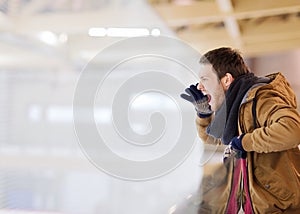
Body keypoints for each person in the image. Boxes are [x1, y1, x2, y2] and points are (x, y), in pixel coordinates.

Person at [180, 47, 300, 213]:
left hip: (282, 208)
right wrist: (203, 113)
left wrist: (244, 142)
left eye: (205, 79)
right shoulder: (235, 106)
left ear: (226, 80)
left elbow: (292, 130)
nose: (199, 87)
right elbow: (212, 140)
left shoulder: (262, 98)